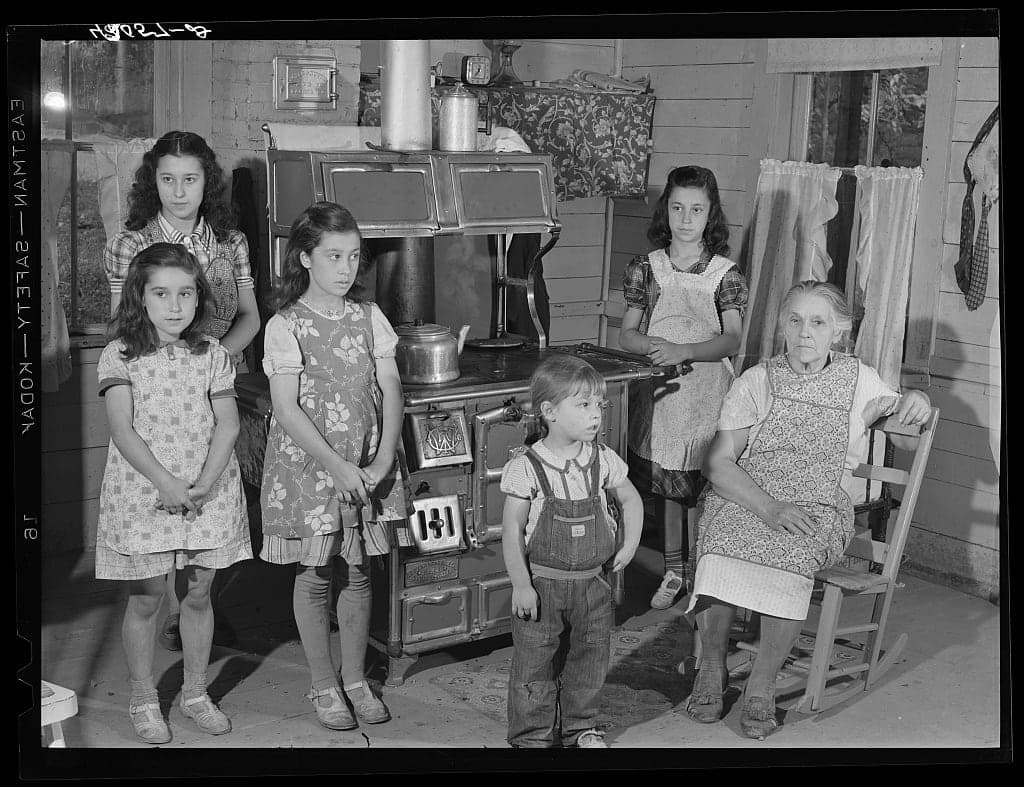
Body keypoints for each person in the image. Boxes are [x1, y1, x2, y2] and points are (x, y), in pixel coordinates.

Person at [683, 281, 932, 740]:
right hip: (750, 492)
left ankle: (761, 683)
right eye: (795, 320)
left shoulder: (862, 381)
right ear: (782, 325)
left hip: (819, 503)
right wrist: (768, 506)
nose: (804, 333)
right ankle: (711, 669)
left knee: (794, 549)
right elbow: (718, 464)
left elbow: (901, 433)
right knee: (718, 541)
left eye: (818, 322)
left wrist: (917, 402)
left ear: (838, 331)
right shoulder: (757, 379)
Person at [103, 130, 260, 653]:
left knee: (211, 503)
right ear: (154, 183)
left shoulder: (229, 243)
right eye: (167, 179)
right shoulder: (131, 244)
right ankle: (163, 615)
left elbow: (249, 317)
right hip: (151, 386)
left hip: (212, 381)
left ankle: (191, 616)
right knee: (156, 514)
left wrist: (217, 359)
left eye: (189, 179)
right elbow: (121, 324)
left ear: (205, 183)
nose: (178, 191)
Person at [259, 202, 410, 731]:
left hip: (368, 461)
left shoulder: (370, 317)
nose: (346, 269)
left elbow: (390, 385)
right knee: (316, 571)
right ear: (304, 257)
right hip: (312, 467)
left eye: (353, 256)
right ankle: (323, 686)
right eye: (333, 256)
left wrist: (384, 454)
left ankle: (355, 680)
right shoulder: (285, 325)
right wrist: (337, 466)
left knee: (359, 568)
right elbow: (286, 408)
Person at [95, 243, 252, 744]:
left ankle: (196, 692)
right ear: (140, 297)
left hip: (207, 488)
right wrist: (166, 483)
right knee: (146, 600)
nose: (175, 305)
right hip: (145, 490)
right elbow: (122, 430)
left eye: (185, 293)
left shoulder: (212, 354)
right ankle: (144, 699)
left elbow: (227, 425)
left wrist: (204, 483)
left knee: (199, 593)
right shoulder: (119, 354)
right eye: (161, 293)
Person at [619, 166, 748, 610]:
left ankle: (705, 570)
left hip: (709, 394)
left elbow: (731, 339)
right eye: (677, 208)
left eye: (696, 210)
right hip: (663, 394)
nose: (685, 219)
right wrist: (657, 348)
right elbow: (628, 333)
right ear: (666, 211)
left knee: (703, 486)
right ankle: (674, 571)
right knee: (668, 488)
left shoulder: (725, 275)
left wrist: (686, 350)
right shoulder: (646, 268)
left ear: (710, 215)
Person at [500, 354, 644, 748]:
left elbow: (631, 502)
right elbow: (511, 530)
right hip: (543, 585)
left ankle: (581, 727)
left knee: (590, 661)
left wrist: (629, 547)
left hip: (593, 587)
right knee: (534, 665)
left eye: (599, 404)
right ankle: (532, 735)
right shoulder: (528, 466)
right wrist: (520, 585)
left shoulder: (603, 460)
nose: (595, 414)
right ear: (549, 411)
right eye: (583, 405)